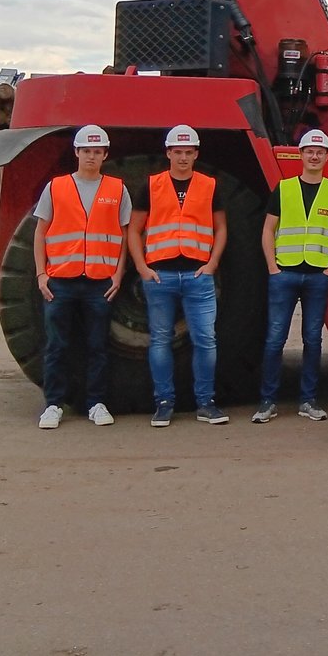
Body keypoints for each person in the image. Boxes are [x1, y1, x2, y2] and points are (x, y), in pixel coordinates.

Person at [127, 124, 229, 427]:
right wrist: (143, 268)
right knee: (160, 341)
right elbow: (134, 230)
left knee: (206, 341)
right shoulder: (151, 186)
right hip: (160, 277)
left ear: (196, 154)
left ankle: (206, 403)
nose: (183, 157)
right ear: (168, 153)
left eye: (188, 152)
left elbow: (221, 228)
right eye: (178, 152)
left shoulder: (210, 186)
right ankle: (164, 403)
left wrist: (211, 264)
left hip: (198, 277)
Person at [31, 124, 130, 429]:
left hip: (99, 283)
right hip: (60, 281)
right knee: (57, 346)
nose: (91, 156)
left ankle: (96, 403)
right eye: (86, 150)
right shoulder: (56, 187)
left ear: (105, 155)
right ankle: (53, 405)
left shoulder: (117, 189)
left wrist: (118, 274)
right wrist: (41, 274)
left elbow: (124, 235)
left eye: (97, 151)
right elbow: (40, 232)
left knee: (98, 347)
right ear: (76, 152)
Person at [254, 129, 328, 424]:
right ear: (301, 155)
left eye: (320, 152)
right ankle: (267, 401)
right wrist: (272, 267)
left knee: (313, 340)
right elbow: (268, 229)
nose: (314, 156)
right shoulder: (284, 189)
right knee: (275, 339)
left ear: (327, 156)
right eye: (310, 151)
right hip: (285, 273)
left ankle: (308, 400)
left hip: (318, 275)